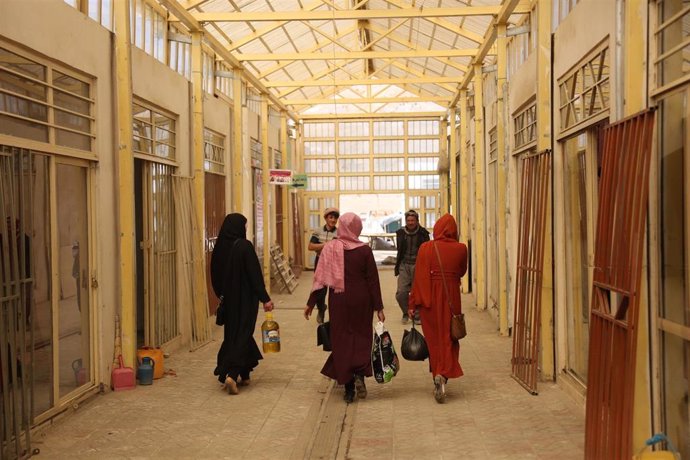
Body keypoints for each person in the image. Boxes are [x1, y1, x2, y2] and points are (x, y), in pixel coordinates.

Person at [304, 212, 385, 403]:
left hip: (338, 300)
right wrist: (379, 307)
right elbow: (373, 281)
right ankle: (359, 376)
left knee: (342, 340)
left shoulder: (330, 248)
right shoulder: (364, 250)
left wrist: (311, 303)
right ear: (357, 228)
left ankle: (348, 388)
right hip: (361, 300)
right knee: (361, 337)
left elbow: (320, 279)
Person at [211, 213, 274, 395]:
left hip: (228, 300)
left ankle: (245, 374)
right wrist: (265, 298)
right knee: (244, 333)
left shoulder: (220, 247)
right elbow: (254, 276)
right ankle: (232, 373)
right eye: (245, 225)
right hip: (245, 299)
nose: (246, 229)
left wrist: (221, 295)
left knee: (233, 333)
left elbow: (214, 274)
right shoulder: (244, 247)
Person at [408, 213, 467, 404]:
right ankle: (443, 374)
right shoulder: (461, 249)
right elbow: (462, 271)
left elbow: (418, 277)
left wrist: (412, 304)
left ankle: (437, 373)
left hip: (429, 300)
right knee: (449, 337)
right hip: (451, 298)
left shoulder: (426, 248)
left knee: (434, 340)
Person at [394, 209, 430, 324]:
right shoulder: (400, 233)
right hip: (404, 265)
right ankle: (406, 312)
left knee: (418, 292)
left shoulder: (423, 233)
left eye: (412, 220)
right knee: (401, 293)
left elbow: (428, 251)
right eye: (408, 220)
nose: (410, 223)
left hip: (418, 265)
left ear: (417, 221)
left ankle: (417, 315)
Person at [308, 207, 339, 324]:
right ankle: (321, 309)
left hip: (334, 264)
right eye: (331, 217)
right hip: (320, 262)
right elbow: (310, 246)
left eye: (335, 218)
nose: (333, 220)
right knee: (320, 289)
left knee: (334, 290)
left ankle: (334, 316)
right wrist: (325, 245)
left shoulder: (339, 233)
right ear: (326, 218)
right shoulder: (318, 231)